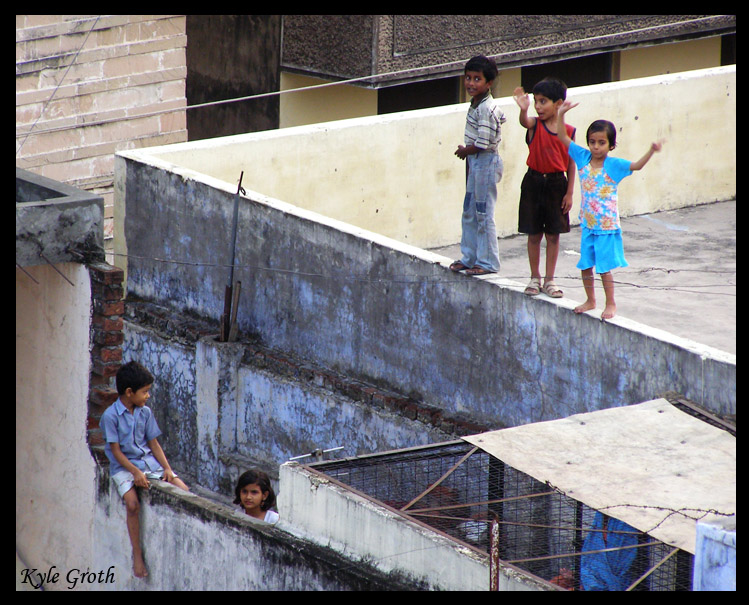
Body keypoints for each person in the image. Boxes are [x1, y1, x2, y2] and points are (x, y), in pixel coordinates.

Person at [556, 100, 664, 319]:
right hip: (588, 225)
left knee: (604, 268)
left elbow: (637, 166)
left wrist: (651, 151)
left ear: (611, 146)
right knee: (586, 266)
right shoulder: (583, 158)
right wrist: (561, 115)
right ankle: (590, 300)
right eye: (592, 142)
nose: (596, 147)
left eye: (601, 143)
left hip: (606, 226)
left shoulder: (613, 165)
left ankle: (611, 303)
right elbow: (562, 138)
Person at [100, 360, 190, 578]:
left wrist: (167, 469)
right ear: (129, 392)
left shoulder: (145, 412)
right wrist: (135, 472)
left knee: (184, 491)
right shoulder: (110, 417)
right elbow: (117, 452)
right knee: (132, 504)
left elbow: (154, 444)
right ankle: (137, 555)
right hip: (124, 467)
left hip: (149, 464)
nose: (148, 396)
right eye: (145, 392)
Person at [513, 77, 576, 298]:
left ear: (558, 103)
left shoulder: (567, 130)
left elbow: (571, 161)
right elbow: (525, 122)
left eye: (543, 102)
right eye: (536, 102)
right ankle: (534, 277)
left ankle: (549, 280)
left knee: (553, 235)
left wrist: (569, 192)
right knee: (533, 233)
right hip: (533, 182)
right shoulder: (534, 124)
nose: (538, 107)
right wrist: (523, 110)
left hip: (557, 184)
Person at [450, 55, 506, 276]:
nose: (471, 83)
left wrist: (465, 151)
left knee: (483, 212)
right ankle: (470, 257)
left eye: (477, 79)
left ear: (488, 83)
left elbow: (483, 143)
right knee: (470, 211)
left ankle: (488, 262)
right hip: (476, 164)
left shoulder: (486, 108)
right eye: (468, 78)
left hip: (486, 162)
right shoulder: (476, 104)